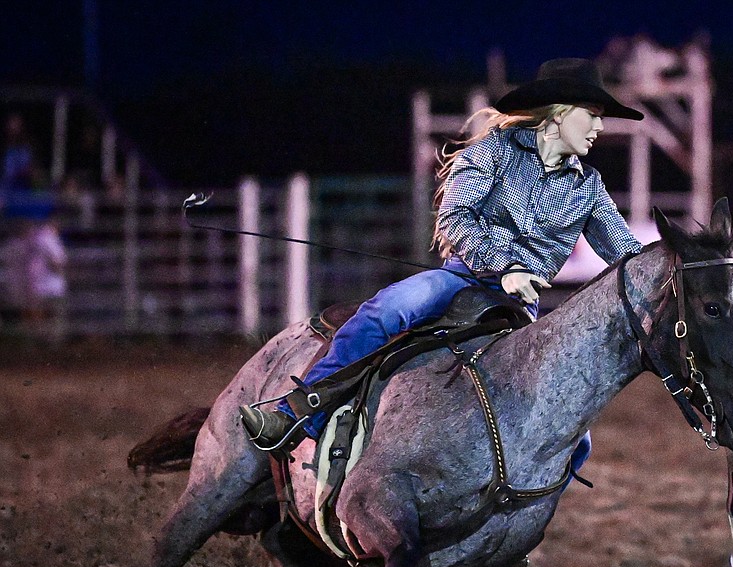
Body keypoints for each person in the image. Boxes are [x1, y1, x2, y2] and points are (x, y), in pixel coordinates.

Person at [240, 58, 644, 451]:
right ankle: (297, 411)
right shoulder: (495, 150)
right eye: (591, 114)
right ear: (558, 114)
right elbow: (455, 217)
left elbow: (629, 255)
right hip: (460, 279)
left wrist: (680, 265)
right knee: (387, 311)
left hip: (521, 308)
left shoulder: (589, 187)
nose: (600, 126)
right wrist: (506, 267)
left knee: (576, 441)